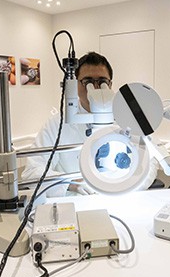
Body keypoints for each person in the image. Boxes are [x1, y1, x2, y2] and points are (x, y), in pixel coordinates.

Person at [21, 51, 113, 196]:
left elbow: (149, 162)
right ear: (74, 85)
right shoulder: (57, 124)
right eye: (87, 82)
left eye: (102, 82)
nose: (95, 88)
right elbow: (32, 172)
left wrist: (128, 184)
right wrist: (70, 183)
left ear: (110, 84)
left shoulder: (125, 119)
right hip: (75, 202)